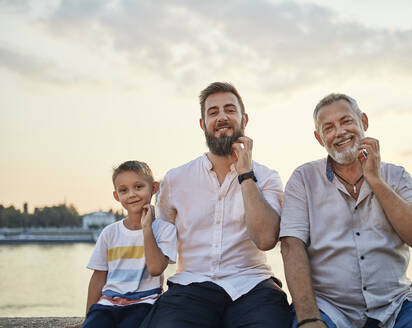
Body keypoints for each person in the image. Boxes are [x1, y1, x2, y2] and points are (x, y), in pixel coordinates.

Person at [280, 94, 412, 328]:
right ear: (320, 139)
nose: (339, 132)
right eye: (328, 128)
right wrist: (309, 318)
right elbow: (291, 246)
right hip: (328, 308)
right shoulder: (303, 179)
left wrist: (376, 180)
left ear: (364, 122)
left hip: (396, 306)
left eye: (346, 121)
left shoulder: (396, 176)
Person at [140, 82, 291, 328]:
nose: (222, 116)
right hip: (190, 286)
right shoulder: (175, 179)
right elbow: (161, 252)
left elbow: (266, 240)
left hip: (253, 286)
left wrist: (245, 174)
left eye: (230, 110)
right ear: (203, 124)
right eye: (213, 112)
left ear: (244, 119)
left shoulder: (267, 177)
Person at [81, 161, 177, 328]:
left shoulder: (165, 230)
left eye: (138, 187)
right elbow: (98, 278)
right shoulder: (109, 233)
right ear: (117, 196)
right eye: (124, 190)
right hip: (108, 304)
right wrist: (88, 317)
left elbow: (155, 268)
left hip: (144, 303)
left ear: (154, 188)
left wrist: (147, 228)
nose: (131, 194)